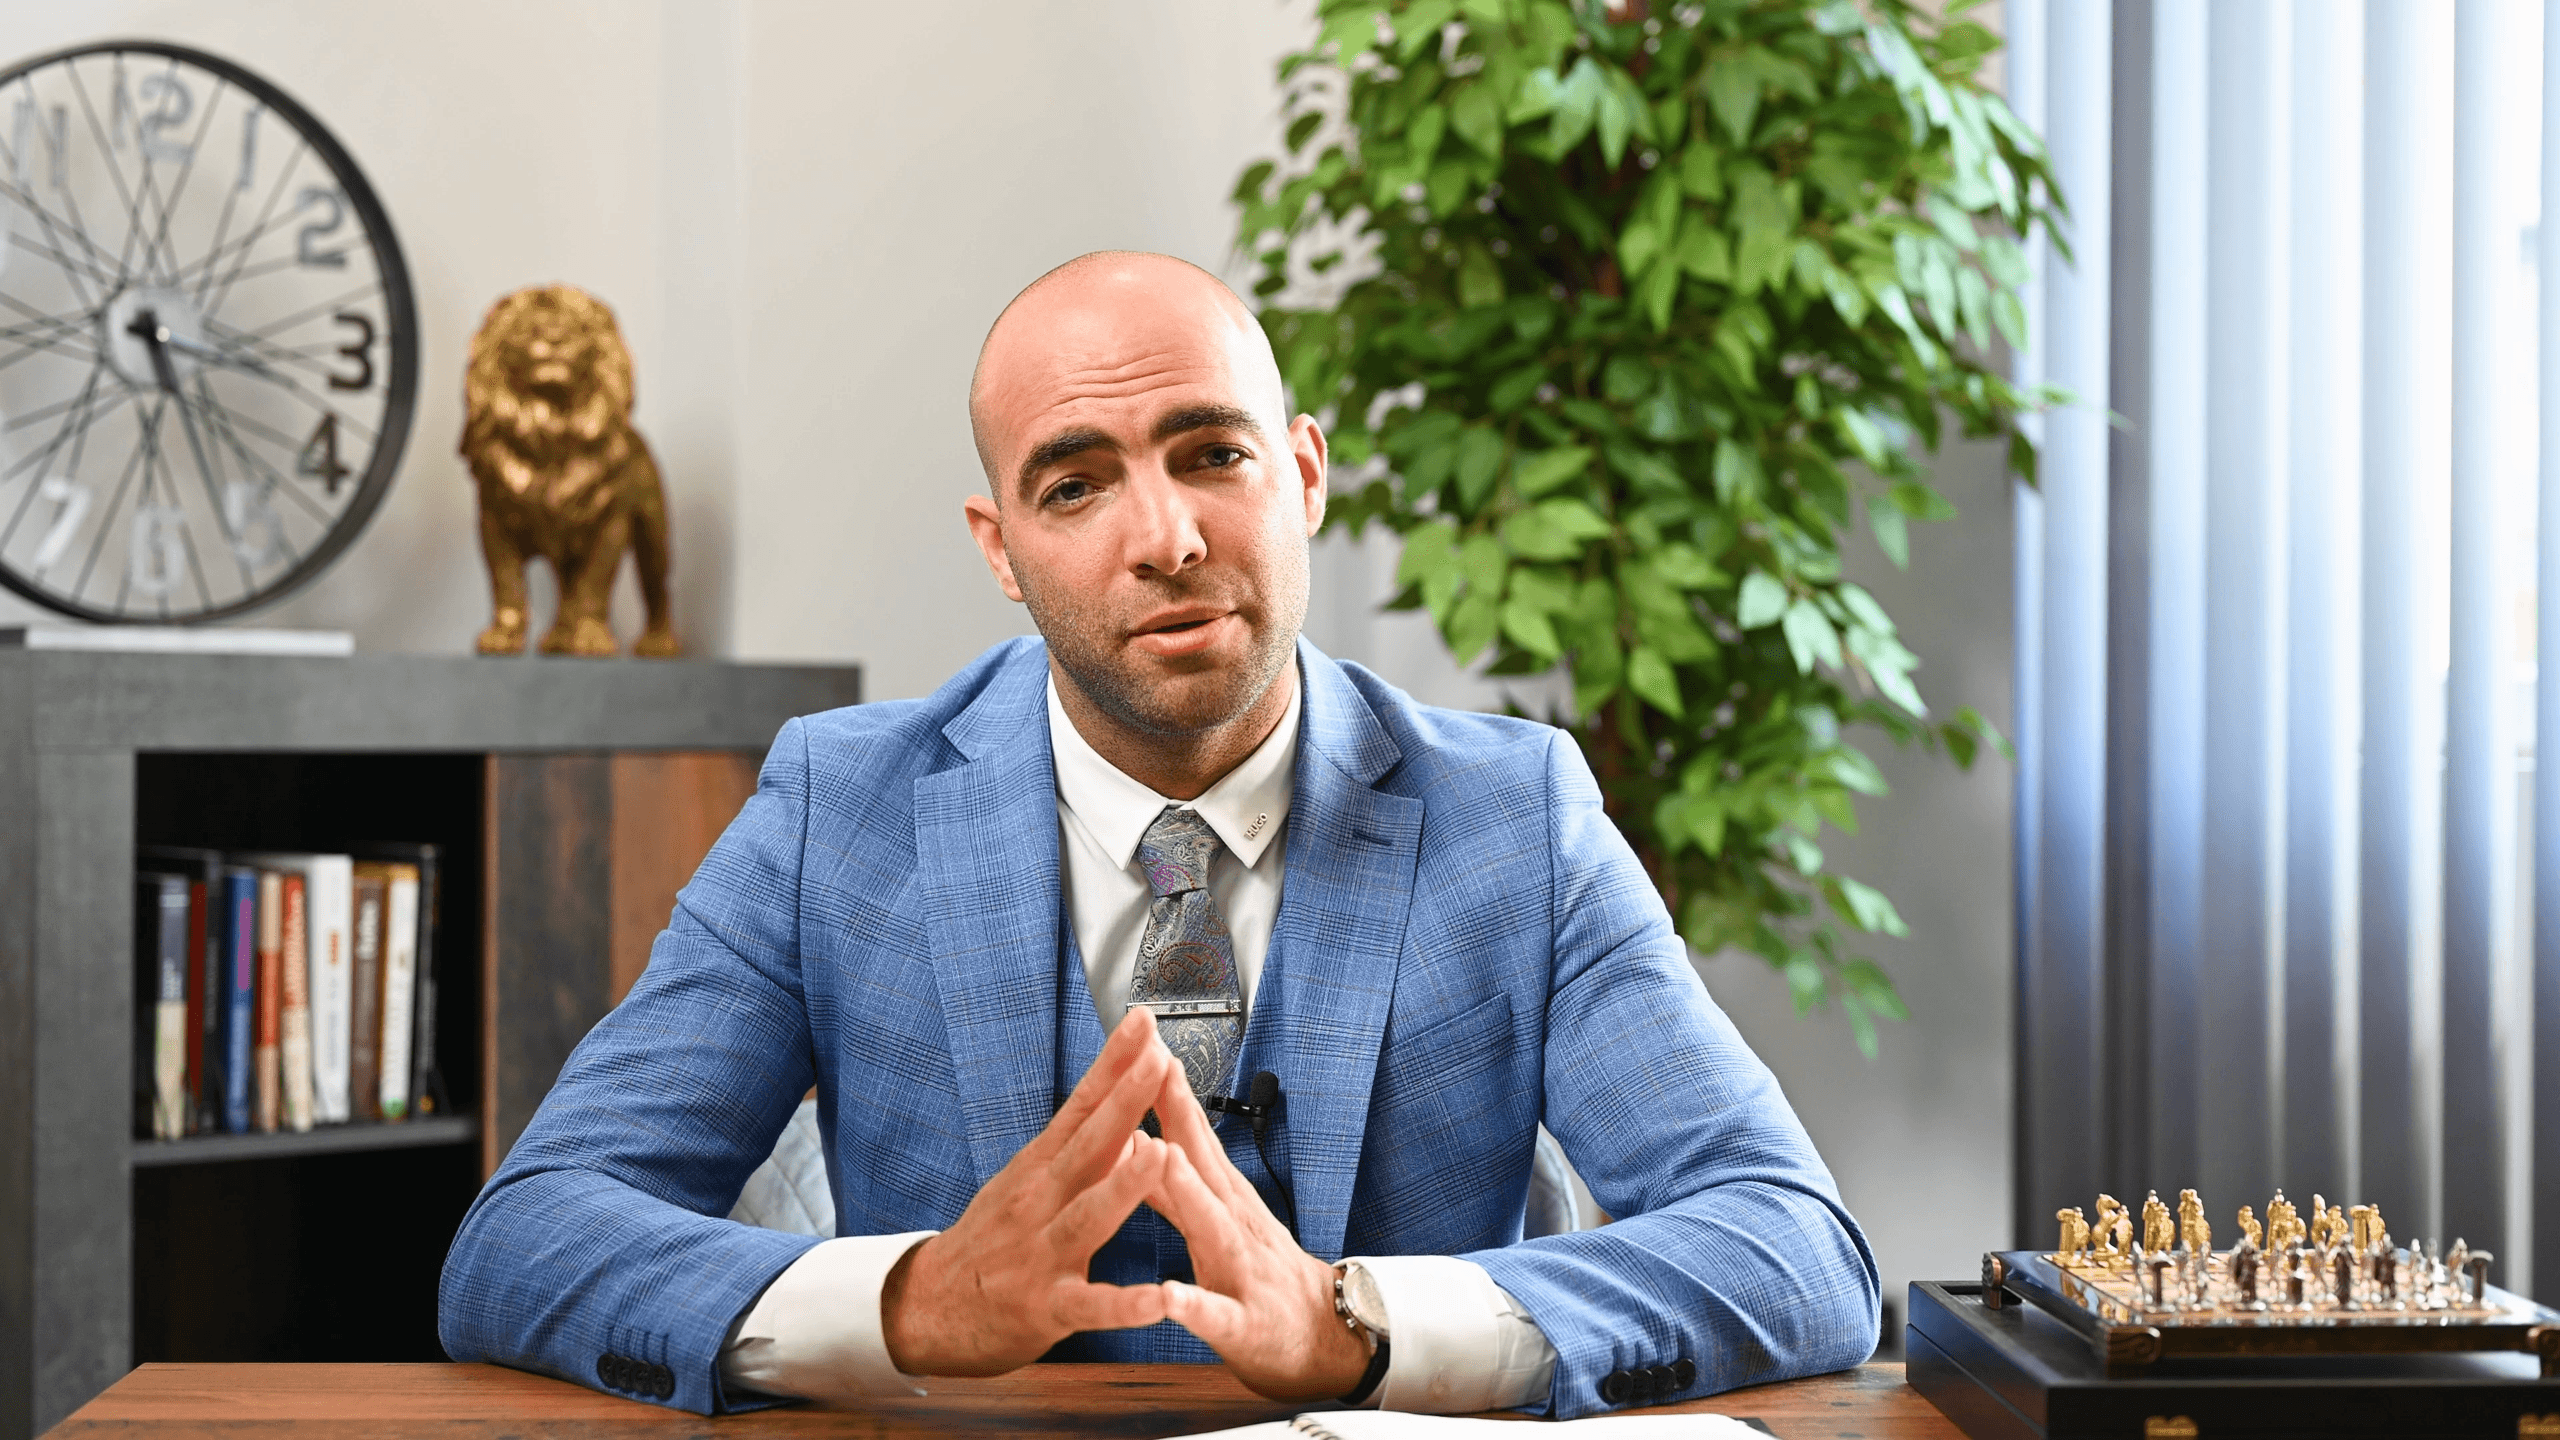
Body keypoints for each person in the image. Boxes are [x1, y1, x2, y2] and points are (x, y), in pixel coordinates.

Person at [436, 252, 1879, 1418]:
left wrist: (1363, 1324)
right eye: (1074, 484)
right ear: (1000, 548)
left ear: (1304, 476)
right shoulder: (836, 808)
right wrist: (914, 1304)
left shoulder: (1517, 817)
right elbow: (530, 1237)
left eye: (1213, 455)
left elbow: (1793, 1246)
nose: (1168, 538)